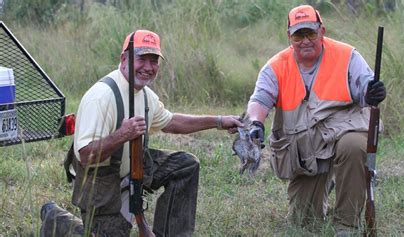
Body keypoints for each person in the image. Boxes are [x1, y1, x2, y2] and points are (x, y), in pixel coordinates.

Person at [43, 29, 242, 237]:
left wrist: (219, 121)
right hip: (100, 179)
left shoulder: (145, 95)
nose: (148, 67)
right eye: (141, 59)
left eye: (154, 60)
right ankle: (55, 219)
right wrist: (122, 134)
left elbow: (171, 121)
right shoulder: (101, 98)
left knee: (185, 165)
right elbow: (85, 155)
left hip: (131, 168)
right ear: (124, 59)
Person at [245, 5, 386, 236]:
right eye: (298, 35)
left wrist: (372, 93)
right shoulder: (276, 66)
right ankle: (326, 184)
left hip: (344, 133)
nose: (305, 40)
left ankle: (346, 225)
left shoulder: (347, 55)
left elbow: (365, 87)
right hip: (307, 150)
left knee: (353, 147)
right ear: (289, 36)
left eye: (310, 33)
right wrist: (256, 123)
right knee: (303, 223)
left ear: (322, 31)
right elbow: (260, 99)